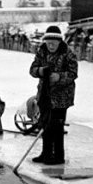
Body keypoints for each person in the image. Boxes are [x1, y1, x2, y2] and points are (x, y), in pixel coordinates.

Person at [29, 25, 78, 165]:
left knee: (56, 126)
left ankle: (58, 156)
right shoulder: (41, 51)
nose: (50, 46)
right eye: (48, 43)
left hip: (62, 96)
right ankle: (46, 154)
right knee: (45, 124)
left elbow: (73, 74)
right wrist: (40, 71)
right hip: (44, 94)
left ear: (59, 42)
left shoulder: (68, 53)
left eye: (53, 43)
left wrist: (59, 77)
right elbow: (32, 69)